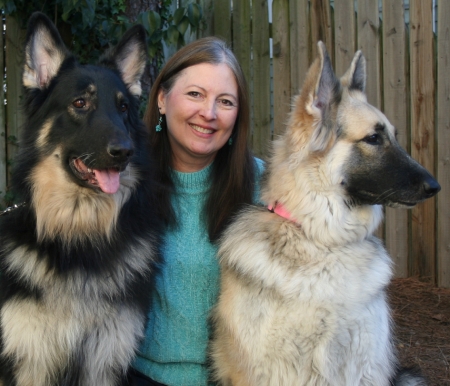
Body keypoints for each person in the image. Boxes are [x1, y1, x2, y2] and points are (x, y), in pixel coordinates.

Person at [128, 36, 264, 386]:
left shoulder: (268, 187)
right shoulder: (124, 185)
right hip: (137, 376)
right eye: (195, 94)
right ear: (161, 99)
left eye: (226, 101)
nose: (209, 113)